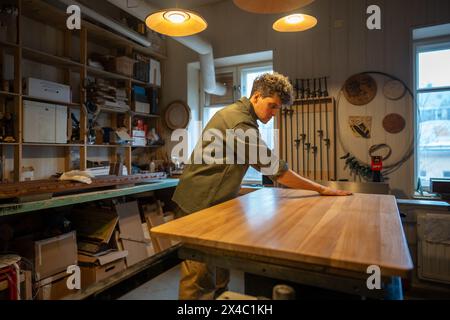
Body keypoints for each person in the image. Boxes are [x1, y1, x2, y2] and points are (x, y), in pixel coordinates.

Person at [172, 72, 352, 300]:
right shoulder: (239, 120)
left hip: (215, 202)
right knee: (199, 275)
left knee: (219, 268)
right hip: (197, 202)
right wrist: (321, 189)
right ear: (256, 96)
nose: (274, 114)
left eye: (278, 109)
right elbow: (275, 169)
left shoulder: (243, 117)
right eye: (272, 106)